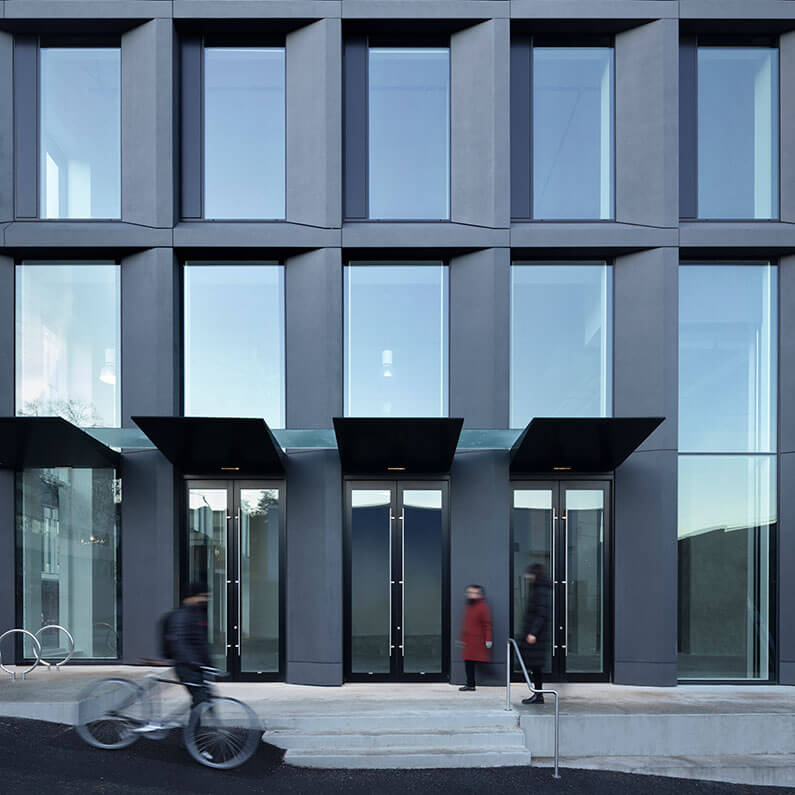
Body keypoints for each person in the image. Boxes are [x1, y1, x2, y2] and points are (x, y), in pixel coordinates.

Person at [170, 582, 212, 707]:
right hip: (187, 667)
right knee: (201, 701)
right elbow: (180, 643)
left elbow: (201, 642)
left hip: (196, 666)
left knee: (204, 699)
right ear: (192, 596)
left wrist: (208, 664)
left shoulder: (197, 613)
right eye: (203, 596)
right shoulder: (183, 616)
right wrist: (193, 662)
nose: (205, 599)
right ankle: (194, 721)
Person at [520, 563, 552, 704]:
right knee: (535, 667)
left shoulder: (540, 591)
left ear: (535, 575)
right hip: (536, 635)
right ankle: (538, 695)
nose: (527, 576)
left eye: (530, 574)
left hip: (537, 637)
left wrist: (533, 633)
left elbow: (541, 614)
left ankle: (538, 695)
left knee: (536, 667)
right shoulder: (538, 589)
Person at [458, 584, 493, 692]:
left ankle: (471, 684)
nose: (470, 594)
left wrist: (488, 639)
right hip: (470, 640)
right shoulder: (469, 607)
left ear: (479, 594)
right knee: (469, 663)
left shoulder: (482, 607)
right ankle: (470, 684)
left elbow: (487, 624)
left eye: (473, 592)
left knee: (474, 662)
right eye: (469, 592)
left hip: (477, 640)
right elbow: (466, 624)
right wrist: (463, 639)